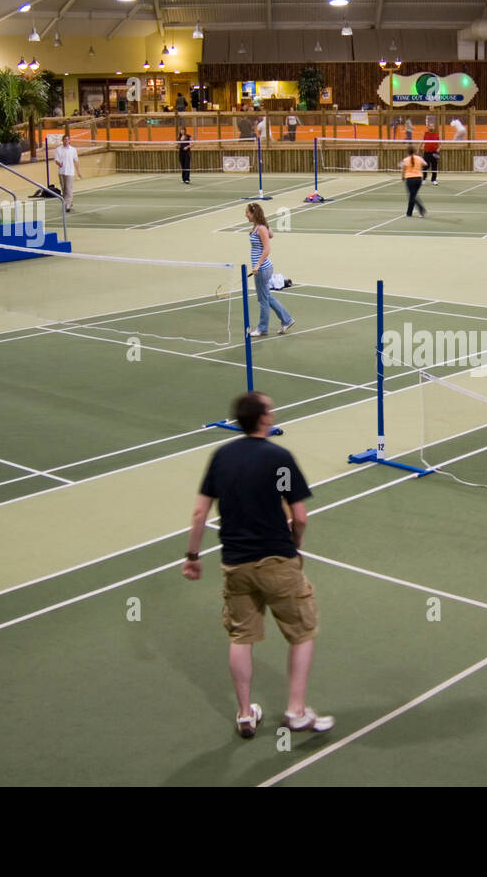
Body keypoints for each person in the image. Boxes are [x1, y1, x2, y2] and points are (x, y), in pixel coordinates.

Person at [183, 391, 332, 738]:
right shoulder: (279, 458)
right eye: (271, 407)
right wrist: (295, 545)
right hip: (277, 561)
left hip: (235, 563)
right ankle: (295, 712)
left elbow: (199, 513)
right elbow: (300, 516)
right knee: (302, 632)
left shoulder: (220, 457)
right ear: (264, 418)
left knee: (241, 637)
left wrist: (192, 556)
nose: (274, 411)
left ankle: (245, 714)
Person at [244, 203, 293, 337]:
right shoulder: (259, 226)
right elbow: (271, 234)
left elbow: (267, 248)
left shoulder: (260, 228)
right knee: (266, 296)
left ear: (253, 213)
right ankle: (287, 320)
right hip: (262, 268)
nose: (246, 215)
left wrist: (257, 265)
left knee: (262, 300)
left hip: (262, 269)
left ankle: (262, 328)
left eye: (247, 212)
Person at [53, 134, 80, 212]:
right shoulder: (58, 149)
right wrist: (59, 164)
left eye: (67, 139)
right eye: (64, 139)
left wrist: (78, 172)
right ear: (62, 140)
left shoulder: (73, 150)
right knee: (64, 188)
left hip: (70, 172)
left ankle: (67, 205)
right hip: (62, 172)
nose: (66, 141)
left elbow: (75, 161)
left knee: (68, 188)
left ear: (69, 140)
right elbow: (56, 160)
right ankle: (68, 202)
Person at [401, 145, 427, 219]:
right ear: (415, 151)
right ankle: (409, 212)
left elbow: (403, 169)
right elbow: (425, 164)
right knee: (413, 195)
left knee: (412, 196)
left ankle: (421, 209)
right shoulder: (419, 158)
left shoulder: (406, 159)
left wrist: (402, 176)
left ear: (408, 152)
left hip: (410, 179)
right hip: (419, 178)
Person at [421, 118, 440, 185]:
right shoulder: (425, 134)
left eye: (432, 126)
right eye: (430, 126)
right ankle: (424, 179)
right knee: (425, 166)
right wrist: (420, 147)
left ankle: (434, 180)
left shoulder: (436, 134)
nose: (431, 127)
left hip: (434, 153)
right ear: (428, 127)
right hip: (426, 152)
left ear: (434, 127)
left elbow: (440, 143)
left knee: (434, 166)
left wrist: (439, 149)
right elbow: (422, 142)